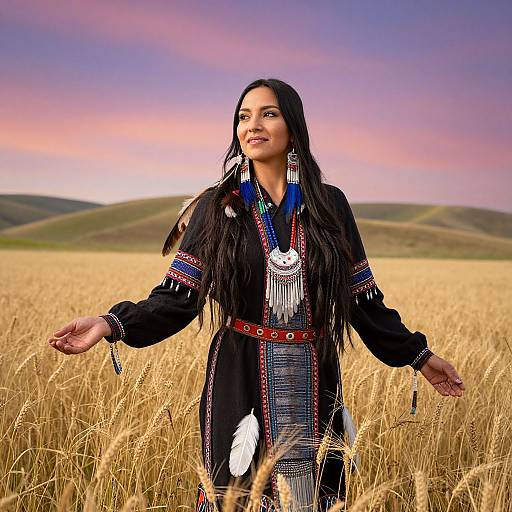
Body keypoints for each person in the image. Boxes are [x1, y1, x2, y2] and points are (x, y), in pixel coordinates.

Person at [48, 78, 465, 511]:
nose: (253, 125)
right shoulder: (216, 207)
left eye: (268, 113)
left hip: (316, 375)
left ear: (293, 127)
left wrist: (418, 355)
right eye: (244, 117)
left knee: (313, 495)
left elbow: (362, 301)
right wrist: (110, 324)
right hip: (240, 375)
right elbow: (176, 299)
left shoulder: (330, 206)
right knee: (241, 497)